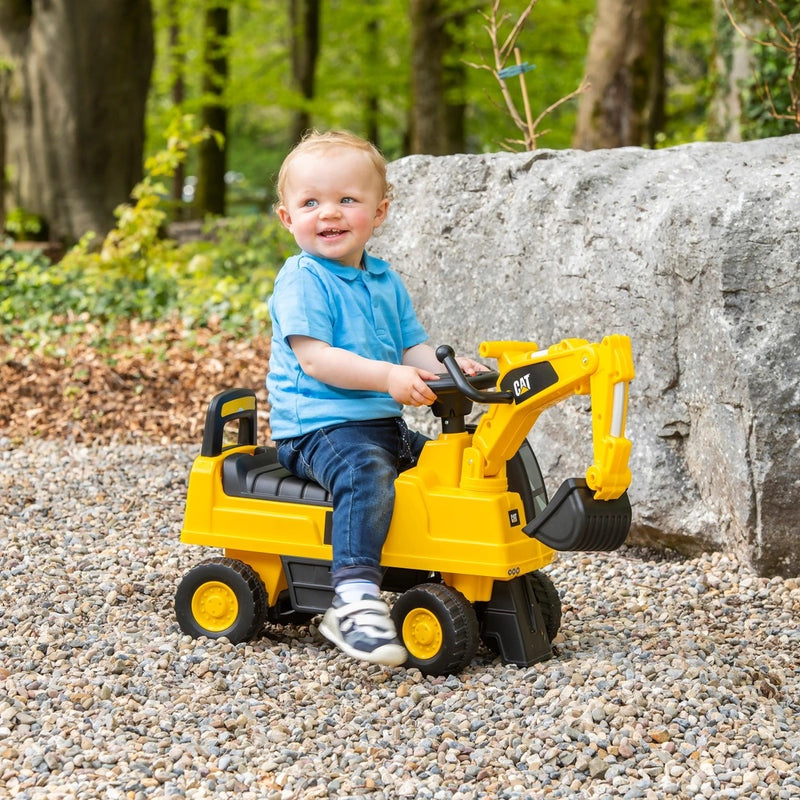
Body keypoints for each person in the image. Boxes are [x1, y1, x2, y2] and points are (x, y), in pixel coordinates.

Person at [267, 130, 485, 667]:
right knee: (367, 474)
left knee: (449, 463)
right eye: (310, 202)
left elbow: (411, 347)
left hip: (378, 423)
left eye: (347, 199)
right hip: (318, 429)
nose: (329, 213)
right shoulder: (303, 278)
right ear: (286, 217)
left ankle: (454, 565)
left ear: (379, 211)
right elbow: (316, 358)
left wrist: (452, 370)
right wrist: (389, 377)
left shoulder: (385, 281)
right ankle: (354, 596)